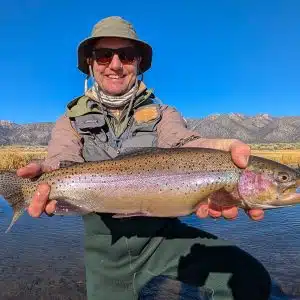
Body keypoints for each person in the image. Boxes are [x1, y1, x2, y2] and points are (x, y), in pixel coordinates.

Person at [17, 16, 271, 300]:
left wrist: (216, 149)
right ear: (90, 64)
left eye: (125, 55)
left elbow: (184, 142)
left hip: (163, 239)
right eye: (103, 56)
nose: (115, 65)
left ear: (138, 63)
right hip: (106, 254)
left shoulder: (165, 114)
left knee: (249, 279)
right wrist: (45, 176)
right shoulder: (69, 121)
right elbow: (61, 159)